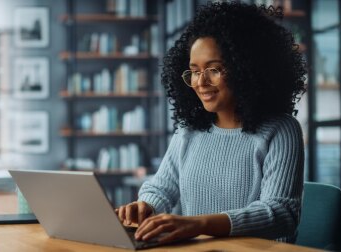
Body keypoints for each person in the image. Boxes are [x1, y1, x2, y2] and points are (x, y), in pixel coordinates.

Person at [115, 1, 307, 244]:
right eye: (194, 71)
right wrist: (146, 207)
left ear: (245, 68)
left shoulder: (281, 130)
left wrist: (198, 224)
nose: (200, 82)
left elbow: (281, 213)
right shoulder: (188, 132)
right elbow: (161, 188)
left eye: (213, 69)